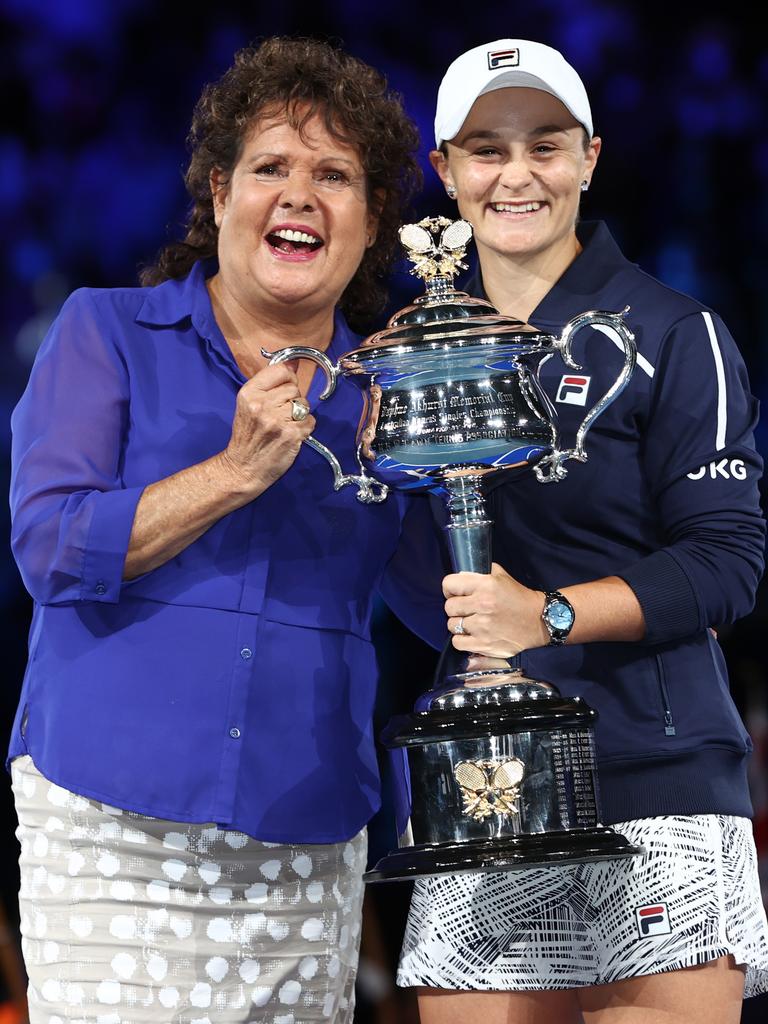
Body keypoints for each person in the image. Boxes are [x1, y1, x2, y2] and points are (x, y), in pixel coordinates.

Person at [8, 36, 445, 1024]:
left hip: (306, 833)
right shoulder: (106, 333)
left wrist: (417, 471)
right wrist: (235, 471)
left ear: (373, 220)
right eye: (270, 168)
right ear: (217, 195)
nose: (300, 195)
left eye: (335, 175)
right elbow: (50, 547)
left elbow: (433, 609)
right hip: (112, 832)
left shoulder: (382, 394)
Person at [396, 38, 768, 1023]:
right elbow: (414, 590)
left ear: (589, 158)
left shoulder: (677, 335)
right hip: (484, 779)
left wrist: (545, 614)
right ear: (445, 172)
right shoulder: (412, 357)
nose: (516, 174)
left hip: (658, 777)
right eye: (486, 149)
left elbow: (727, 562)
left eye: (545, 145)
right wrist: (385, 476)